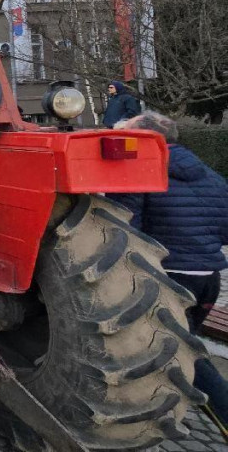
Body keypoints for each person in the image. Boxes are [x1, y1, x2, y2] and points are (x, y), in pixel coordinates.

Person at [111, 111, 228, 426]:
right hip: (209, 280)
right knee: (183, 344)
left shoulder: (142, 173)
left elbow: (125, 227)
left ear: (145, 139)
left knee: (185, 353)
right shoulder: (212, 176)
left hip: (169, 278)